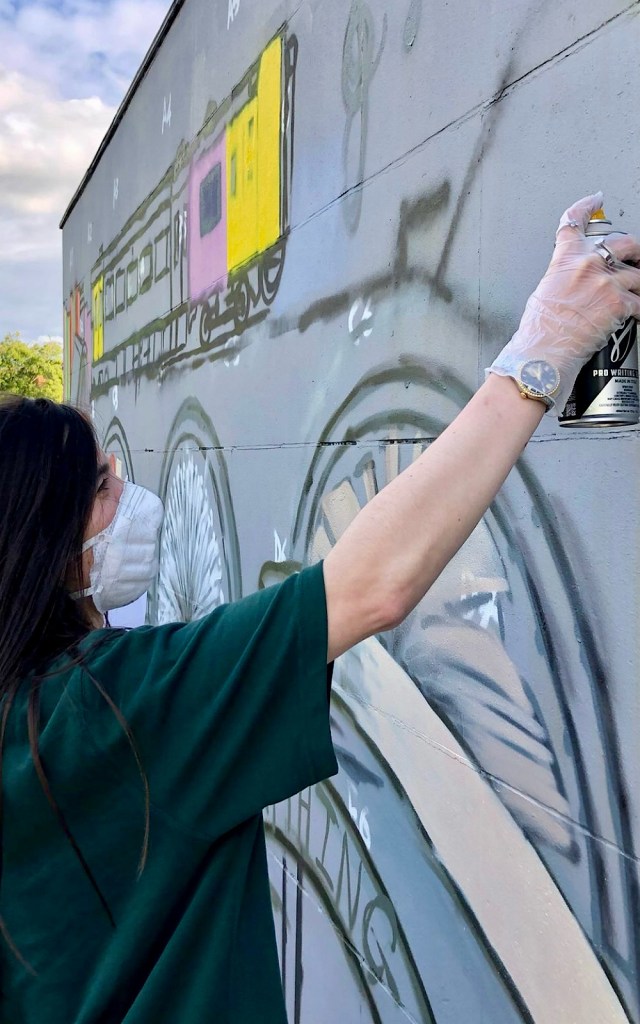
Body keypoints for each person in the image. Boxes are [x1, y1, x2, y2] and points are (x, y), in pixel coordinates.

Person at [1, 194, 639, 1024]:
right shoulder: (126, 708)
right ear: (47, 551)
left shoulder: (36, 711)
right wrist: (541, 350)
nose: (131, 493)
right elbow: (373, 582)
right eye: (101, 486)